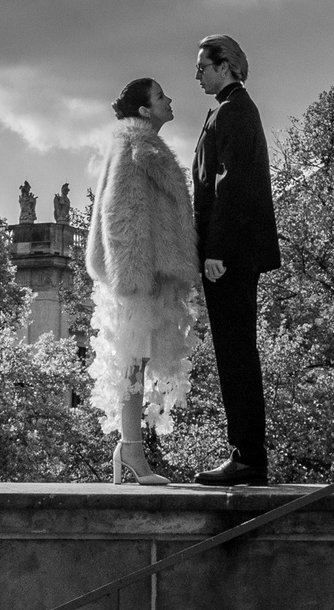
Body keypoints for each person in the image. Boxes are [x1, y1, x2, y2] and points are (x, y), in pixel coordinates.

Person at [83, 76, 199, 486]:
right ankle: (131, 448)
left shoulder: (138, 145)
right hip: (137, 274)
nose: (170, 101)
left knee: (138, 359)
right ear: (146, 110)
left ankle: (129, 447)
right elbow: (121, 214)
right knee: (132, 359)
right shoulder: (137, 146)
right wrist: (133, 276)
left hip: (144, 272)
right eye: (161, 96)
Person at [190, 33, 279, 486]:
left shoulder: (236, 110)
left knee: (237, 353)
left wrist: (217, 251)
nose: (197, 74)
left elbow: (233, 184)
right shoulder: (226, 108)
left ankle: (247, 458)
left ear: (225, 66)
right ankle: (245, 454)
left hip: (231, 254)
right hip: (229, 252)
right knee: (233, 353)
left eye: (203, 66)